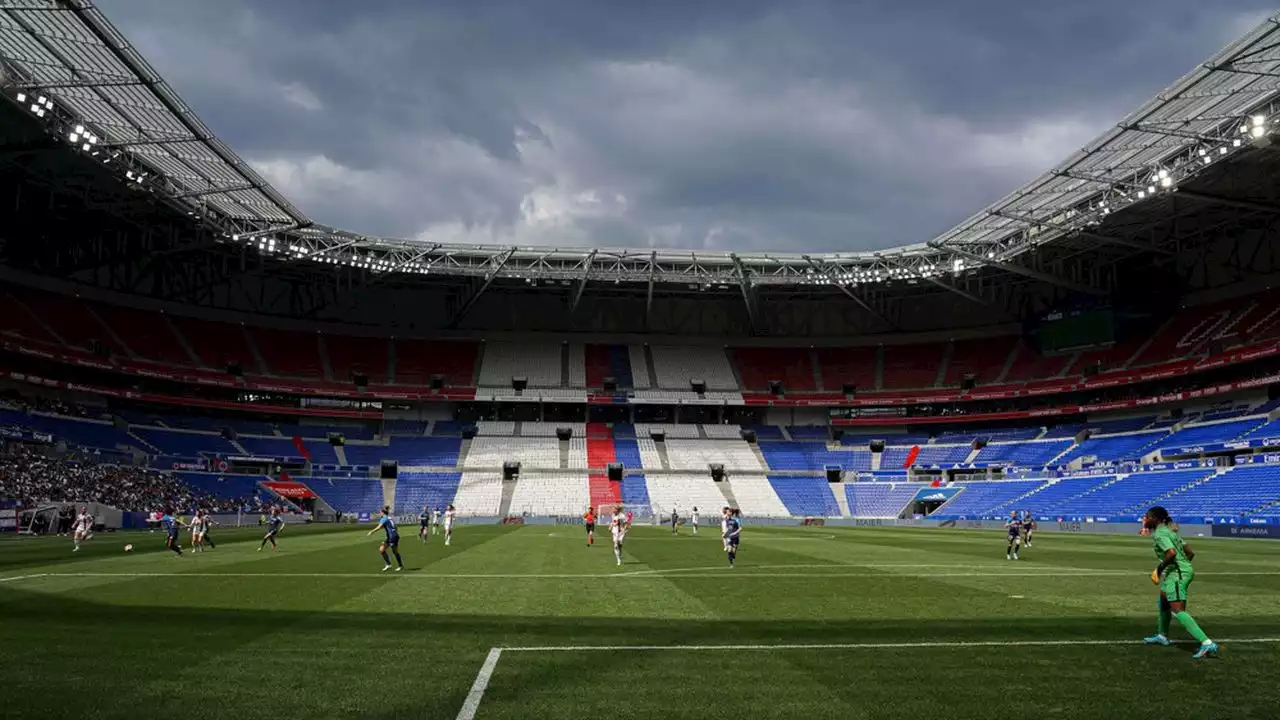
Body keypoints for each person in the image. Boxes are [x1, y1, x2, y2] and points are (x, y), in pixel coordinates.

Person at [1142, 506, 1218, 659]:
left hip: (1177, 573)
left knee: (1178, 609)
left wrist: (1160, 569)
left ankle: (1207, 642)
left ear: (1155, 519)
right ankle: (1162, 635)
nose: (1144, 519)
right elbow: (1190, 553)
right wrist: (1182, 567)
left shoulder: (1160, 534)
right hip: (1178, 571)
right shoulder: (1171, 532)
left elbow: (1171, 553)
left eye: (1147, 516)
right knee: (1164, 600)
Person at [367, 506, 404, 572]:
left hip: (392, 537)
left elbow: (379, 527)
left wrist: (371, 532)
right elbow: (395, 527)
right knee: (381, 549)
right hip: (392, 536)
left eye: (380, 512)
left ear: (383, 513)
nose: (379, 513)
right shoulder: (390, 518)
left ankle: (400, 566)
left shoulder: (384, 518)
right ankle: (388, 564)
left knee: (395, 551)